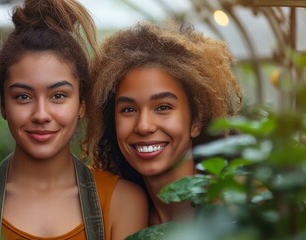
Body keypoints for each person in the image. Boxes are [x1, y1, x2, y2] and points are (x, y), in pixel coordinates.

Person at [0, 0, 148, 239]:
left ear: (81, 105)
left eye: (58, 96)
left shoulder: (123, 201)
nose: (41, 115)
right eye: (23, 97)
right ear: (4, 105)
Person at [85, 21, 243, 226]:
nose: (143, 126)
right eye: (128, 110)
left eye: (163, 107)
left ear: (196, 121)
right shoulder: (119, 217)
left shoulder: (236, 204)